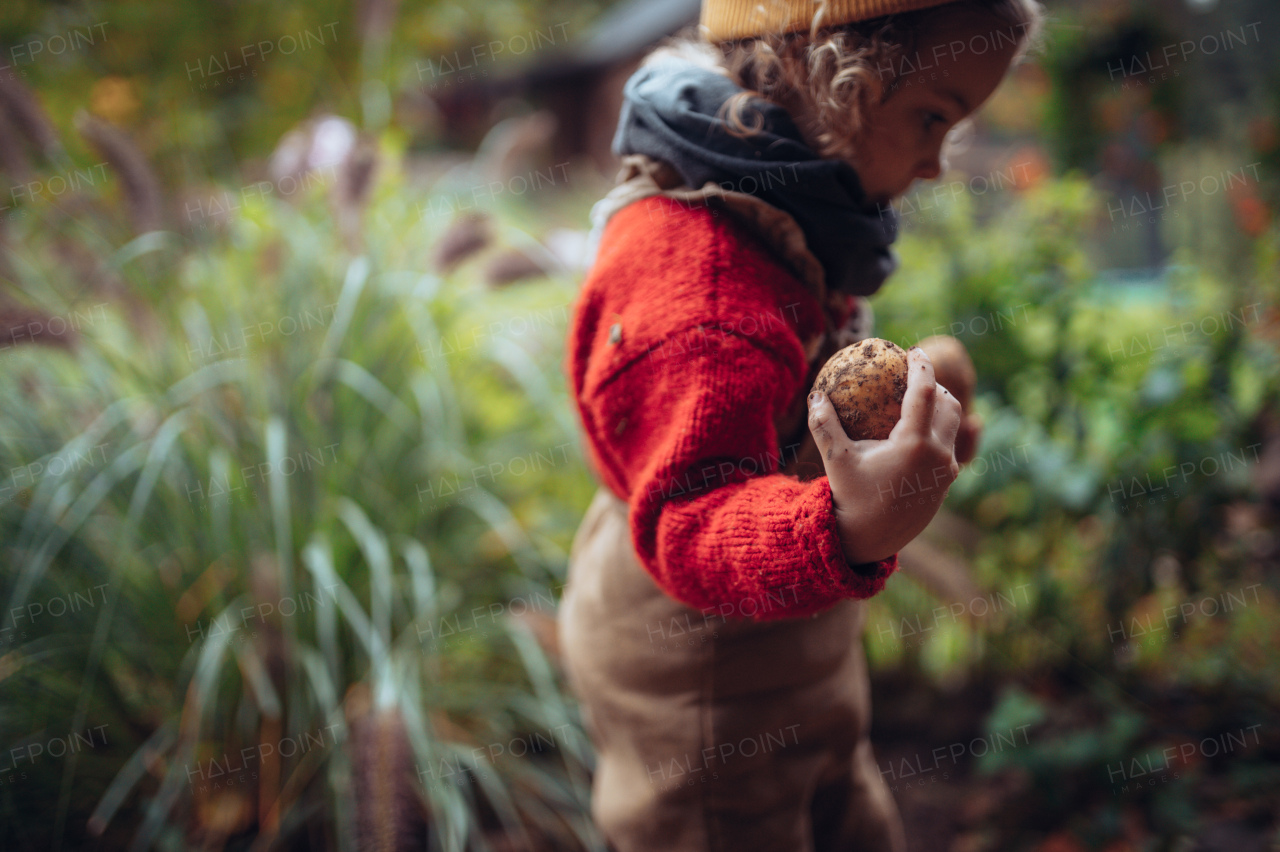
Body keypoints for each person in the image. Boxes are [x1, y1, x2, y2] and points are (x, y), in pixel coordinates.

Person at [558, 1, 1045, 849]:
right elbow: (690, 518)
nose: (936, 165)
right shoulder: (697, 280)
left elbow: (786, 390)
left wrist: (903, 437)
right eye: (931, 116)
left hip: (800, 666)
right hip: (704, 692)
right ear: (830, 72)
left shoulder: (781, 199)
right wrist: (854, 523)